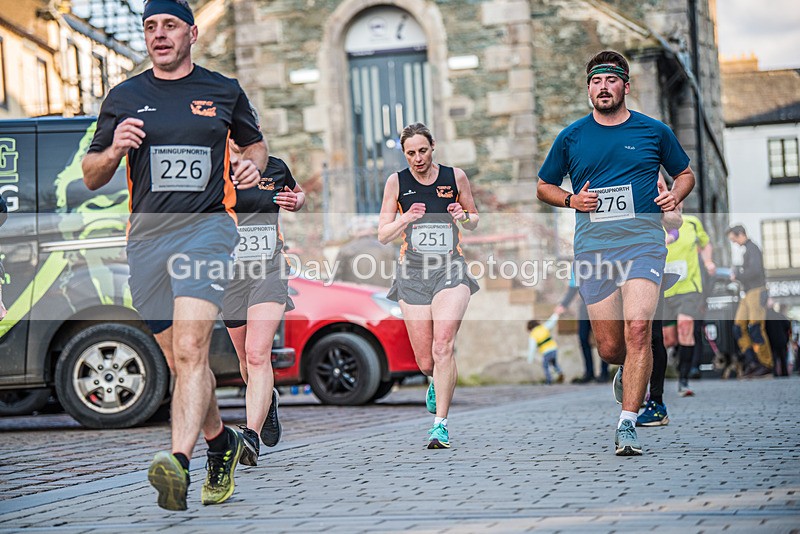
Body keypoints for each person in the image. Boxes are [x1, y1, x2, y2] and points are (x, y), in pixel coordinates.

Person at [81, 0, 268, 511]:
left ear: (191, 33)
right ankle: (220, 442)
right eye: (150, 27)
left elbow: (255, 146)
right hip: (146, 242)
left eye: (169, 26)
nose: (159, 35)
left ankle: (177, 464)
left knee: (190, 350)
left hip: (206, 233)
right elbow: (91, 174)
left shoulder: (222, 90)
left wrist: (251, 167)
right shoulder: (124, 96)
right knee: (180, 360)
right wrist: (116, 148)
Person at [537, 50, 695, 456]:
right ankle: (627, 370)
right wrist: (572, 201)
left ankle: (628, 422)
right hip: (594, 248)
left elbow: (685, 173)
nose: (602, 88)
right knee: (610, 347)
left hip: (643, 242)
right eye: (595, 82)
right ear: (588, 89)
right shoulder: (572, 136)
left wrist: (674, 196)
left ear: (625, 85)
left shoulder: (653, 131)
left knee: (639, 328)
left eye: (609, 80)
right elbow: (543, 186)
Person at [378, 122, 480, 449]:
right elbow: (382, 233)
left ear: (433, 146)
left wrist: (462, 215)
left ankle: (441, 425)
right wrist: (405, 219)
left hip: (451, 268)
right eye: (411, 153)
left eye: (423, 151)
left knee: (443, 345)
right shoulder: (397, 182)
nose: (417, 158)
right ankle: (437, 377)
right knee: (425, 362)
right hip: (412, 273)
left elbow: (474, 219)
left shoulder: (455, 177)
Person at [223, 143, 304, 466]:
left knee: (258, 354)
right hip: (228, 274)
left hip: (269, 269)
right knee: (245, 360)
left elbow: (299, 195)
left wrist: (296, 201)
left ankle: (250, 437)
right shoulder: (216, 171)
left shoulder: (275, 167)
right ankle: (266, 398)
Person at [661, 204, 716, 396]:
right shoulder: (656, 225)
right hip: (665, 290)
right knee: (668, 338)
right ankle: (673, 361)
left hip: (689, 288)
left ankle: (683, 381)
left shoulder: (692, 222)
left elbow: (706, 243)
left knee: (685, 327)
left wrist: (708, 261)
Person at [726, 225, 772, 377]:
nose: (734, 243)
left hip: (757, 291)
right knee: (738, 328)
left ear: (740, 234)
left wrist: (737, 275)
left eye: (734, 239)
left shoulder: (753, 248)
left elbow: (755, 271)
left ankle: (765, 363)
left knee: (755, 327)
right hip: (747, 293)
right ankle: (753, 362)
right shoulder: (748, 249)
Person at [554, 274, 609, 383]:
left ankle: (604, 373)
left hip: (603, 304)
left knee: (603, 340)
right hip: (585, 306)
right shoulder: (578, 263)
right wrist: (563, 305)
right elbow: (573, 288)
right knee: (583, 338)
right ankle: (589, 373)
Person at [527, 316, 563, 384]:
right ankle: (559, 372)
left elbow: (532, 348)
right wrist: (556, 315)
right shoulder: (543, 327)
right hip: (554, 348)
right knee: (554, 363)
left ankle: (549, 380)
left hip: (546, 351)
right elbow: (551, 322)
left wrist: (530, 359)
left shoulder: (533, 335)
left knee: (545, 366)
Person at [764, 302, 791, 377]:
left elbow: (764, 329)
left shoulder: (766, 317)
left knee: (774, 358)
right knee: (783, 358)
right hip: (782, 340)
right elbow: (787, 325)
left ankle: (775, 374)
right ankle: (784, 373)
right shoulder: (779, 315)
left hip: (772, 341)